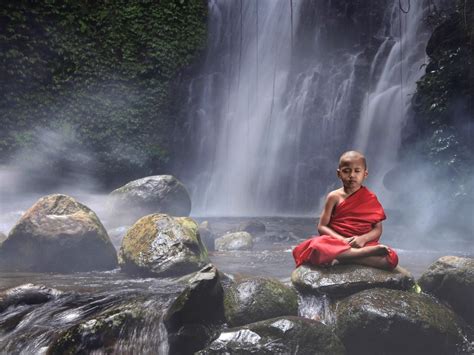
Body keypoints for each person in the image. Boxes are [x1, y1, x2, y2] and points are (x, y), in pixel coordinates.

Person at [292, 150, 398, 270]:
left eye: (357, 171)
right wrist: (343, 240)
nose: (352, 175)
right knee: (316, 246)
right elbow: (322, 227)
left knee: (392, 259)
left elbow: (377, 230)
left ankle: (344, 256)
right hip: (338, 241)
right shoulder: (334, 197)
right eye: (346, 171)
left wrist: (362, 239)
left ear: (365, 174)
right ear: (339, 173)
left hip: (362, 243)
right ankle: (356, 255)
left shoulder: (371, 198)